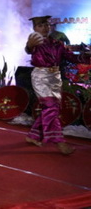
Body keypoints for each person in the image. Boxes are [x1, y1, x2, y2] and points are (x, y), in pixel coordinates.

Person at [24, 15, 88, 155]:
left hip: (55, 77)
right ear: (35, 28)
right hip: (41, 77)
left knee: (52, 108)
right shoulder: (35, 41)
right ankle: (59, 142)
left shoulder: (57, 43)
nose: (45, 28)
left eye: (46, 25)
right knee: (51, 107)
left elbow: (71, 57)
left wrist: (86, 56)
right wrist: (29, 45)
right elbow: (29, 49)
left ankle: (33, 135)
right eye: (40, 26)